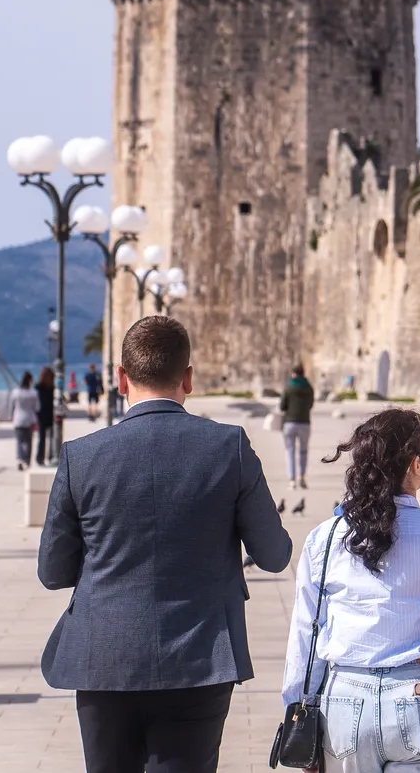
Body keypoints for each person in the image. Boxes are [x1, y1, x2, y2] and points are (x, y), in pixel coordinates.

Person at [39, 316, 293, 773]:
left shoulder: (81, 455)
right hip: (201, 657)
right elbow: (275, 555)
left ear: (121, 379)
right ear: (188, 378)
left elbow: (53, 572)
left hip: (103, 657)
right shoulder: (228, 447)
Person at [284, 409, 420, 773]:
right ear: (417, 464)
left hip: (345, 702)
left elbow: (305, 637)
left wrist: (299, 715)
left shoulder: (324, 539)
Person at [281, 362, 315, 489]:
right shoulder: (309, 388)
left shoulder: (289, 387)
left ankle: (292, 479)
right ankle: (302, 476)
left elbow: (282, 406)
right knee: (303, 451)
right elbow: (311, 405)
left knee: (290, 451)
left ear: (294, 374)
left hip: (289, 423)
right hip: (304, 423)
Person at [10, 370, 41, 470]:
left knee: (19, 441)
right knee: (29, 442)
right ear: (30, 381)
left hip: (18, 419)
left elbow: (12, 406)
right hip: (30, 419)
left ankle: (20, 459)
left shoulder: (16, 392)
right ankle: (27, 461)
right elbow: (36, 408)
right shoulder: (33, 393)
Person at [36, 366, 57, 466]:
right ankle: (45, 457)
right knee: (46, 438)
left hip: (44, 415)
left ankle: (43, 458)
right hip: (46, 414)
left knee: (45, 438)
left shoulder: (40, 387)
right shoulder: (48, 388)